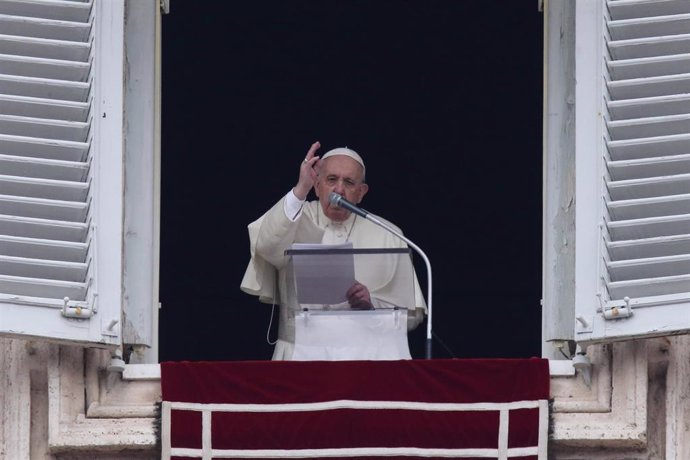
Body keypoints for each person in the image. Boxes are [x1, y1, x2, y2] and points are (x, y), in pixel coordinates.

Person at [240, 141, 426, 360]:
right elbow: (266, 246)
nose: (339, 189)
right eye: (331, 180)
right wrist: (301, 189)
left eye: (348, 182)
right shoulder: (294, 219)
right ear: (317, 186)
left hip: (367, 358)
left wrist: (371, 306)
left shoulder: (389, 234)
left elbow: (412, 316)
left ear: (361, 192)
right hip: (301, 356)